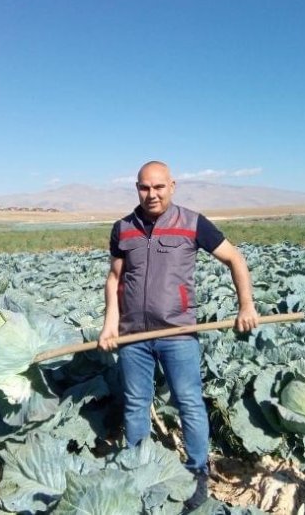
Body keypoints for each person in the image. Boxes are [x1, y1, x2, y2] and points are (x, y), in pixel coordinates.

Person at [98, 161, 259, 511]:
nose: (151, 194)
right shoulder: (122, 228)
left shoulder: (193, 222)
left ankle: (197, 471)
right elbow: (115, 278)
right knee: (137, 404)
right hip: (132, 337)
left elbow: (235, 258)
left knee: (188, 402)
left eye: (158, 187)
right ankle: (137, 470)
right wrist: (110, 324)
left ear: (172, 186)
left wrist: (246, 306)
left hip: (178, 332)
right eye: (144, 188)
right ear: (136, 188)